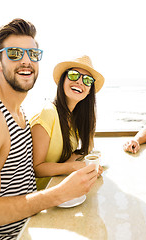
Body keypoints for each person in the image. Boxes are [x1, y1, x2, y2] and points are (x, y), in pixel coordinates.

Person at [0, 19, 98, 240]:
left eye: (33, 54)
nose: (26, 61)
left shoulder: (20, 115)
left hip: (27, 228)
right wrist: (59, 193)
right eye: (14, 53)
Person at [30, 55, 104, 190]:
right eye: (74, 75)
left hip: (58, 188)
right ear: (62, 80)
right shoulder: (48, 113)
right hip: (38, 195)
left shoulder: (74, 118)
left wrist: (87, 164)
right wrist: (75, 167)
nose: (80, 82)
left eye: (87, 80)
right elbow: (36, 168)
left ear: (89, 91)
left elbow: (80, 151)